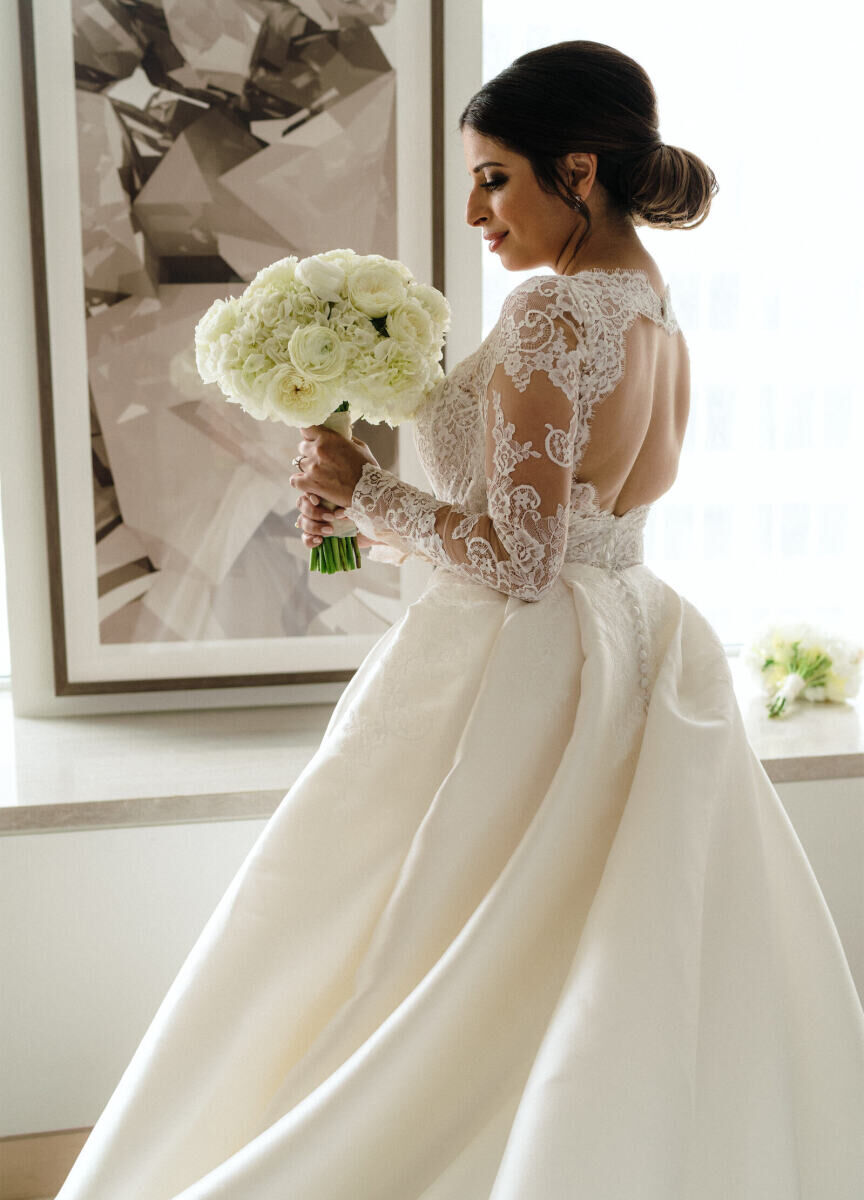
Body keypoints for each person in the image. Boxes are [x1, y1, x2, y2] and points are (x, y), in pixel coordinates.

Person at [57, 40, 864, 1200]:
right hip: (633, 637)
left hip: (522, 663)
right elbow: (563, 527)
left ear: (576, 170)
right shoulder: (660, 313)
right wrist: (365, 490)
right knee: (567, 957)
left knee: (404, 942)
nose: (476, 209)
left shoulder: (550, 317)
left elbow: (521, 560)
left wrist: (364, 492)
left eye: (495, 177)